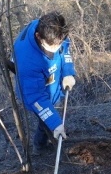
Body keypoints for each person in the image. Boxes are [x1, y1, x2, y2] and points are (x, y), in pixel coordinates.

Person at [12, 11, 76, 153]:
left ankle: (49, 135)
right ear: (38, 37)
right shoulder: (27, 61)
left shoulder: (56, 31)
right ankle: (40, 146)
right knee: (46, 122)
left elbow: (65, 50)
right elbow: (36, 97)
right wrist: (55, 123)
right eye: (51, 47)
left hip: (53, 87)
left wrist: (67, 72)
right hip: (36, 95)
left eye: (58, 44)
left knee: (49, 118)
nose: (55, 50)